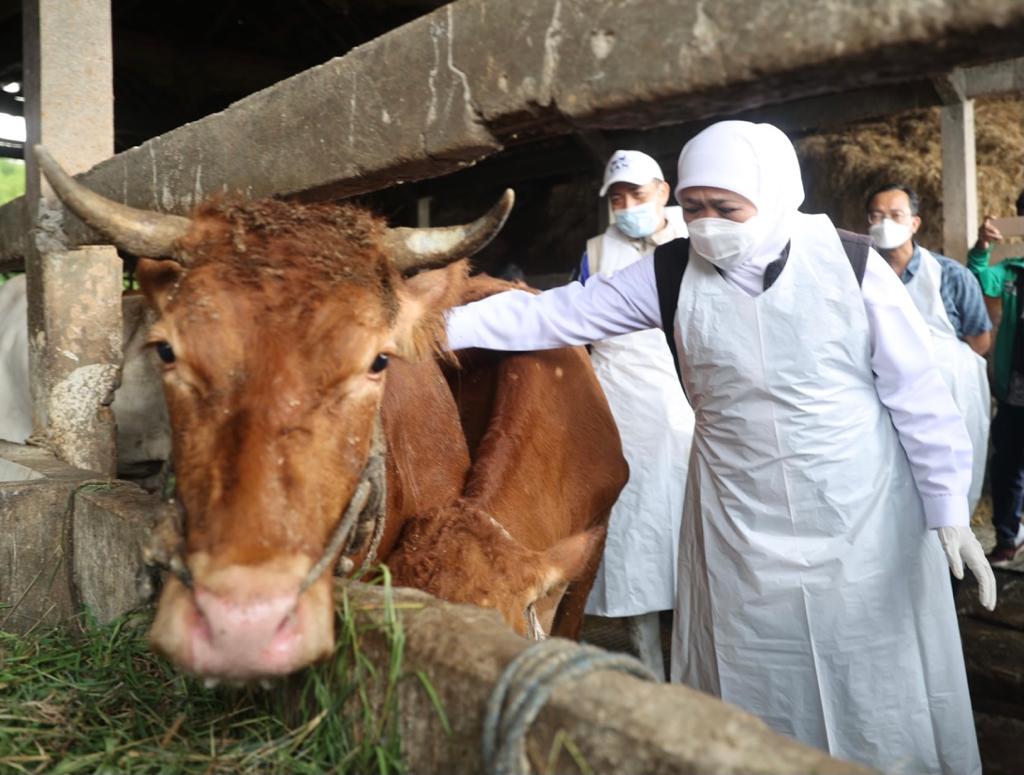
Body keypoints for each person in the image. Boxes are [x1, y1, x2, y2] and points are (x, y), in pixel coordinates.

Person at [445, 120, 996, 775]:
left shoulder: (850, 264)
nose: (707, 224)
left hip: (859, 510)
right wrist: (432, 322)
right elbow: (553, 315)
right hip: (736, 520)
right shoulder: (673, 270)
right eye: (694, 207)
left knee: (870, 678)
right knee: (754, 677)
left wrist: (947, 506)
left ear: (775, 194)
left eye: (726, 209)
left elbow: (919, 398)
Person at [578, 150, 694, 680]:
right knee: (636, 537)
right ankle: (649, 664)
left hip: (687, 404)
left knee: (692, 532)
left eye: (636, 195)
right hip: (621, 407)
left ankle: (699, 666)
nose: (626, 207)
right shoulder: (596, 252)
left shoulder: (697, 236)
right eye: (617, 199)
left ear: (663, 193)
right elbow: (575, 326)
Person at [866, 183, 992, 515]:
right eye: (877, 216)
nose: (885, 223)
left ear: (915, 223)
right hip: (882, 394)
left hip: (949, 391)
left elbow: (980, 341)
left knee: (947, 475)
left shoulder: (950, 274)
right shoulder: (858, 274)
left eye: (895, 215)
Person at [968, 190, 1024, 566]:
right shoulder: (1013, 270)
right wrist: (982, 246)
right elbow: (979, 281)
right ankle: (1008, 536)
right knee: (1006, 466)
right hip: (1015, 392)